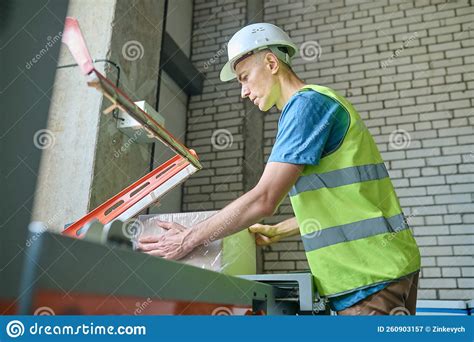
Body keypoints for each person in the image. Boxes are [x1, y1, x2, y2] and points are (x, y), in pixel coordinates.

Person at [138, 23, 421, 315]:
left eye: (244, 78)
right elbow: (348, 203)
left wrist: (190, 237)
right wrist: (280, 230)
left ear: (271, 63)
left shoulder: (306, 106)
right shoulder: (321, 101)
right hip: (389, 266)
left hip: (367, 279)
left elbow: (265, 198)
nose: (243, 92)